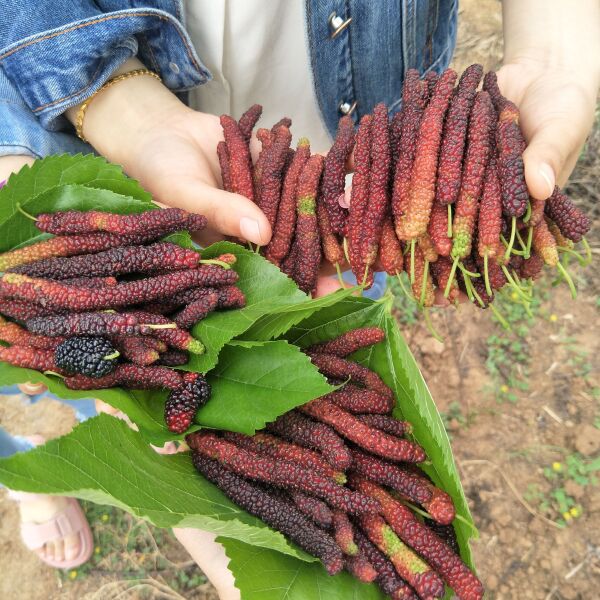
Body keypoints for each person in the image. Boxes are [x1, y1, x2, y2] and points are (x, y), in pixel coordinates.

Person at [0, 1, 598, 597]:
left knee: (297, 335)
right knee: (74, 354)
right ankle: (29, 474)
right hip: (91, 140)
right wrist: (115, 102)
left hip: (351, 192)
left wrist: (554, 55)